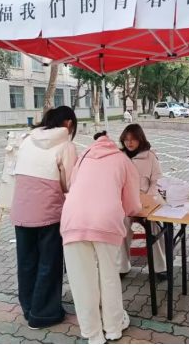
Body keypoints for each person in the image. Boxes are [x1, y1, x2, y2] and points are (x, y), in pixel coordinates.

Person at [61, 131, 142, 344]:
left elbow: (73, 184)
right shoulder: (122, 160)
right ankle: (113, 328)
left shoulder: (83, 157)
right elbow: (132, 203)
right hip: (106, 222)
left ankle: (93, 334)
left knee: (81, 281)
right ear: (114, 144)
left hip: (72, 220)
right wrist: (126, 209)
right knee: (109, 276)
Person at [10, 106, 78, 329]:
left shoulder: (27, 139)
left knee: (27, 262)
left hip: (21, 209)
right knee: (49, 263)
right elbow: (71, 182)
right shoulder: (66, 145)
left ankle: (29, 308)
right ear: (68, 123)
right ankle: (44, 314)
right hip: (49, 211)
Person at [117, 124, 167, 279]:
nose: (129, 143)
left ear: (140, 139)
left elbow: (156, 180)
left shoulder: (150, 156)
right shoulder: (118, 156)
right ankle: (122, 266)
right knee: (121, 225)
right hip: (124, 202)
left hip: (146, 200)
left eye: (132, 139)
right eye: (126, 139)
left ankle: (160, 267)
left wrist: (147, 199)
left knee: (155, 226)